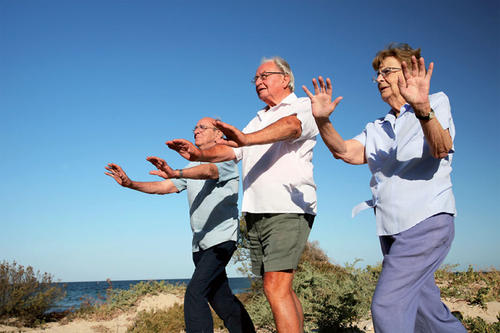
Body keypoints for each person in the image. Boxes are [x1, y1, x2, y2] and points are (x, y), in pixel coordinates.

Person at [302, 43, 466, 332]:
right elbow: (345, 152)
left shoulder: (435, 101)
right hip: (390, 228)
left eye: (385, 72)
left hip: (426, 220)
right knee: (427, 314)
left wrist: (422, 108)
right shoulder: (377, 126)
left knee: (387, 306)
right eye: (377, 75)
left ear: (407, 71)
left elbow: (441, 148)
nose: (378, 79)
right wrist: (322, 121)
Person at [166, 57, 318, 333]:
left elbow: (291, 127)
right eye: (255, 78)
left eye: (265, 76)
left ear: (285, 79)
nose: (258, 81)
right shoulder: (258, 118)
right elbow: (232, 150)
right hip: (257, 212)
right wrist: (197, 153)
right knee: (281, 286)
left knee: (275, 286)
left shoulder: (302, 105)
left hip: (288, 207)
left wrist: (246, 139)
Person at [104, 117, 255, 333]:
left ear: (218, 134)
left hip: (221, 240)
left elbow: (210, 171)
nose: (196, 131)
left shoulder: (225, 159)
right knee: (222, 300)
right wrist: (130, 184)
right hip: (200, 246)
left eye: (203, 127)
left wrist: (177, 172)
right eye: (195, 127)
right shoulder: (191, 166)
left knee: (195, 294)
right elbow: (164, 186)